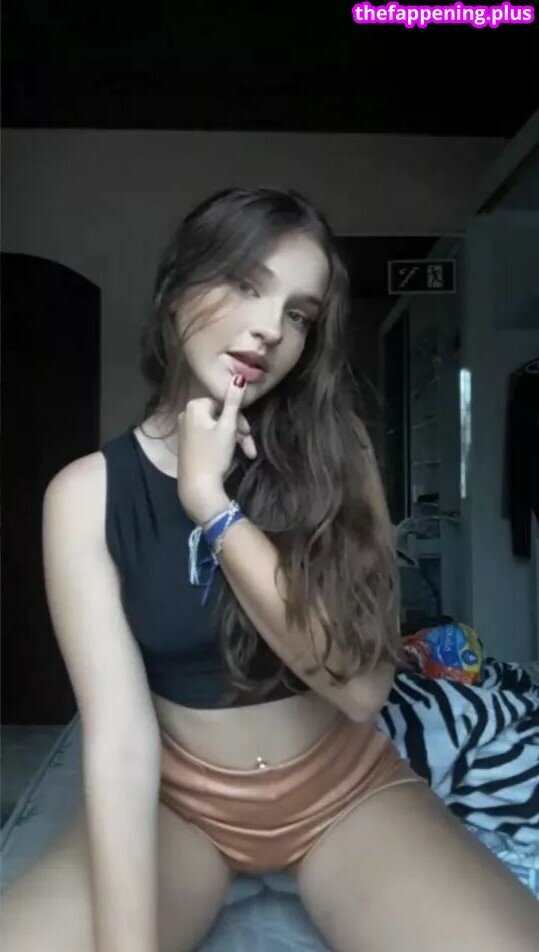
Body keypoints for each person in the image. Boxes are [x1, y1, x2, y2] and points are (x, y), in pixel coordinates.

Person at [3, 187, 538, 952]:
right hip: (181, 805)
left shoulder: (337, 450)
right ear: (176, 287)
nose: (269, 328)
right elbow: (119, 738)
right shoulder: (86, 494)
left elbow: (360, 686)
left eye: (299, 314)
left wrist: (209, 503)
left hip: (343, 788)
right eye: (246, 285)